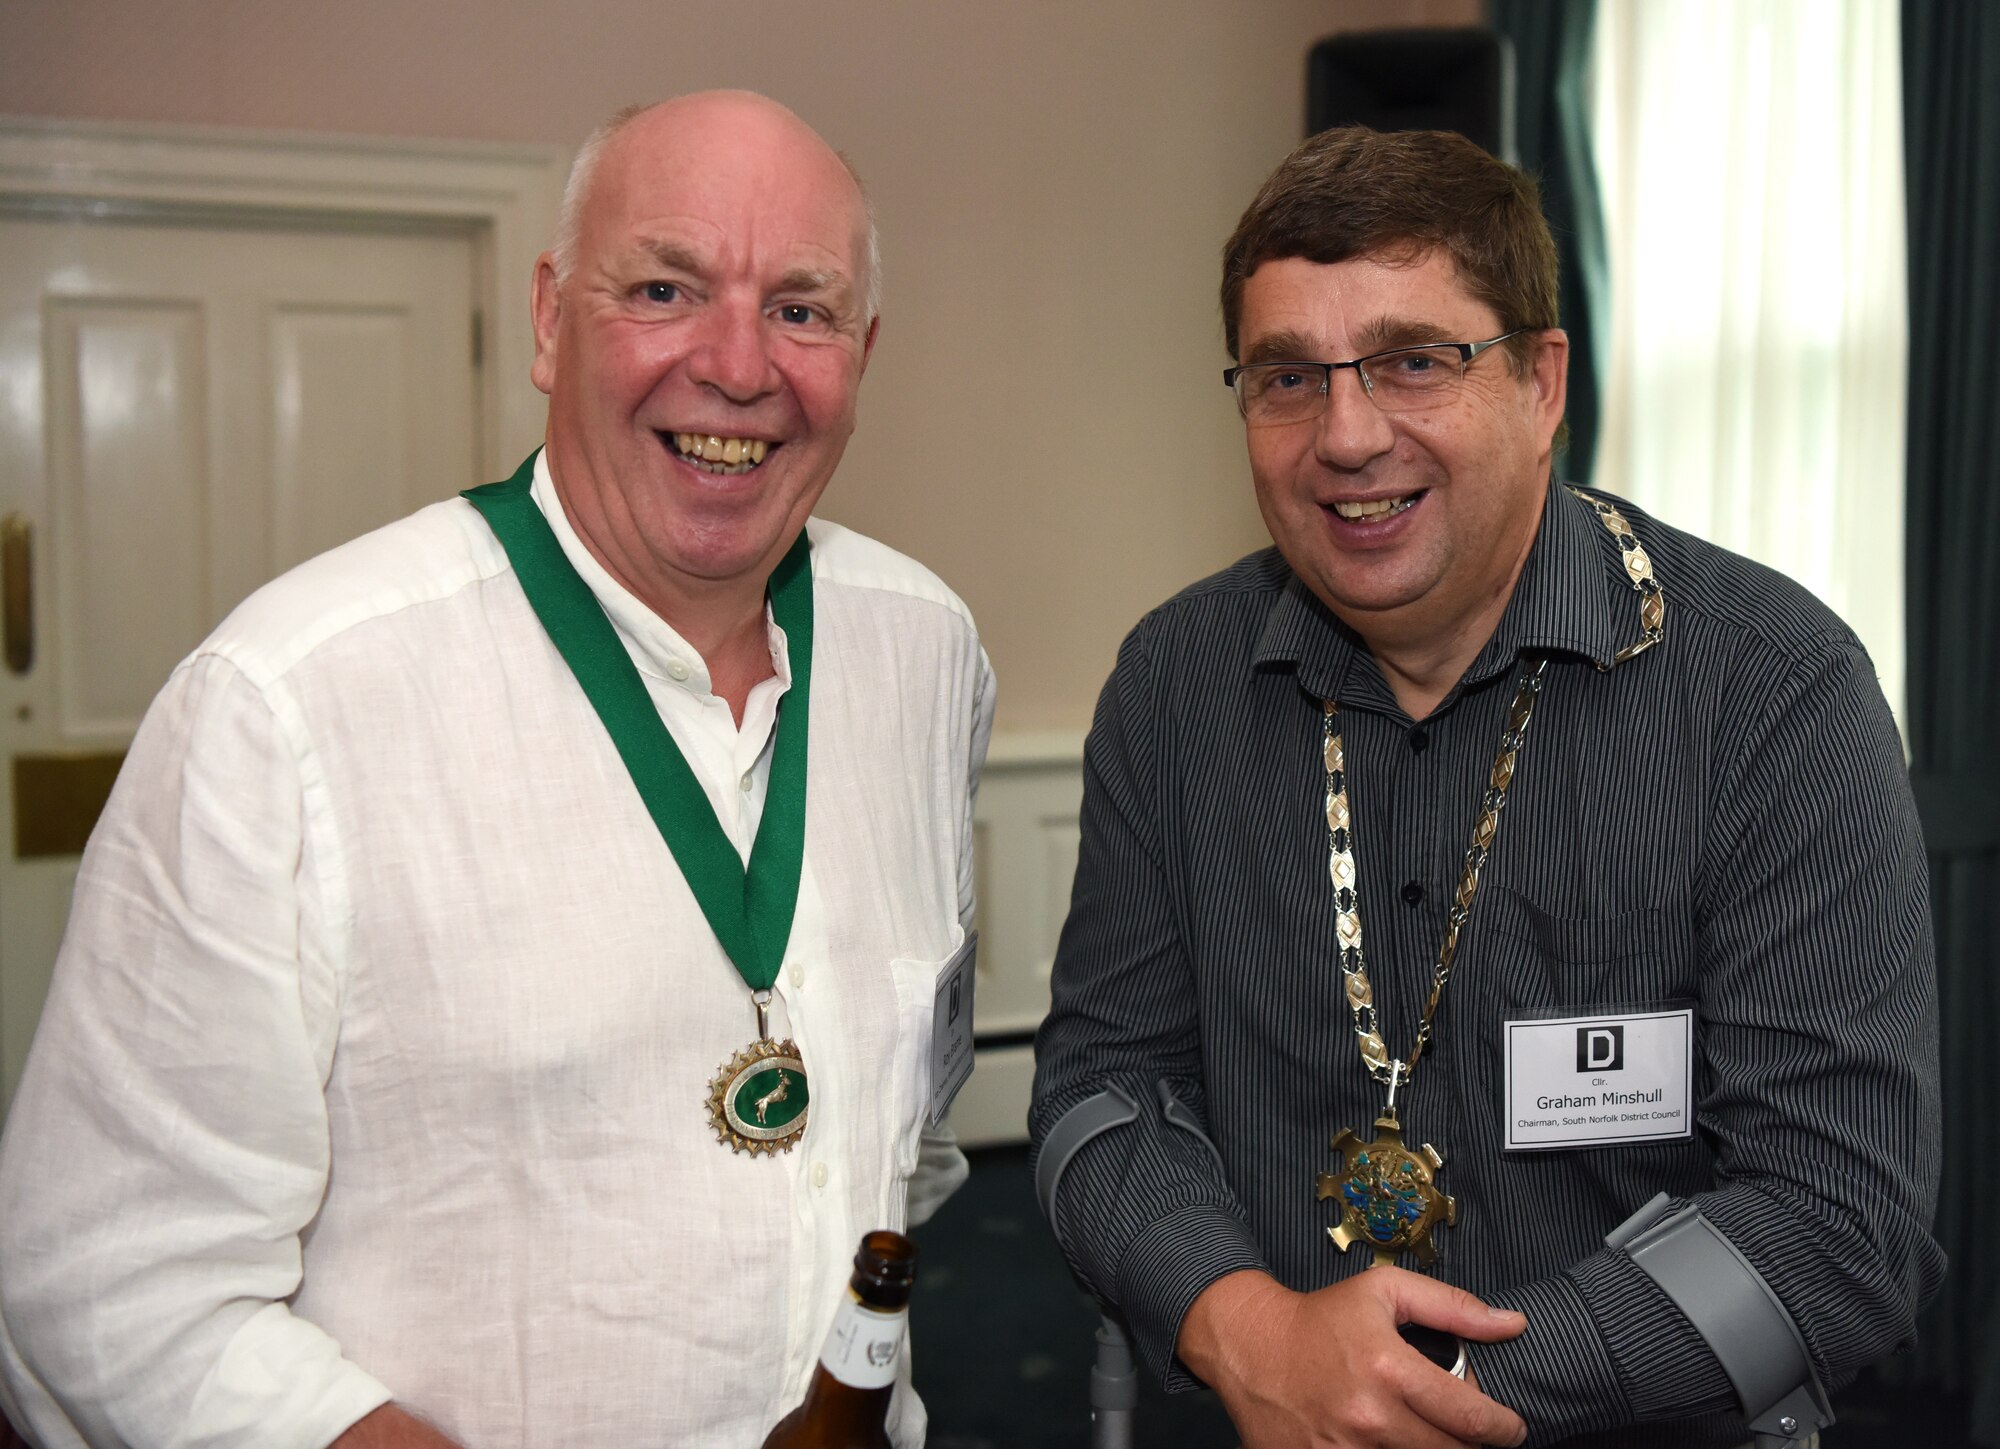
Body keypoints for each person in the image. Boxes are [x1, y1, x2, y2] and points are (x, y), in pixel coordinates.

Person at [0, 91, 992, 1449]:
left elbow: (906, 1123)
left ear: (861, 354)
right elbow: (107, 1280)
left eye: (803, 310)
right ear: (548, 319)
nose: (739, 364)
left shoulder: (929, 652)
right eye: (665, 286)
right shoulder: (284, 706)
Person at [1029, 126, 1940, 1449]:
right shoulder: (1174, 686)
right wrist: (1246, 1325)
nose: (1346, 434)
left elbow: (1834, 1221)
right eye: (1288, 376)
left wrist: (1424, 1392)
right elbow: (1104, 1094)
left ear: (1540, 380)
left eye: (1414, 360)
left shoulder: (1774, 689)